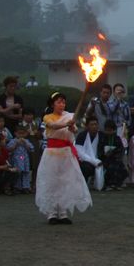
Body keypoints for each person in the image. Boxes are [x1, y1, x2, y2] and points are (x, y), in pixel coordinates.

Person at [36, 92, 91, 224]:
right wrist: (67, 124)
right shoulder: (47, 117)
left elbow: (74, 131)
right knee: (52, 182)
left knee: (66, 182)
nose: (62, 104)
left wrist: (72, 127)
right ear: (52, 104)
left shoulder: (69, 116)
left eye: (63, 102)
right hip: (51, 154)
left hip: (66, 154)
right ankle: (52, 214)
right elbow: (53, 126)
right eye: (59, 102)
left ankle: (63, 213)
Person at [97, 122, 127, 190]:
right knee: (110, 167)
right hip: (105, 159)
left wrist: (113, 153)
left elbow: (120, 149)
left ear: (114, 130)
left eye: (110, 130)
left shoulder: (117, 138)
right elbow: (99, 149)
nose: (108, 132)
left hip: (115, 158)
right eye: (107, 130)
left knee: (120, 166)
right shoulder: (102, 138)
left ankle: (117, 184)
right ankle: (109, 184)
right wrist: (104, 154)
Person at [8, 123, 35, 193]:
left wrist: (25, 144)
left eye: (23, 134)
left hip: (25, 159)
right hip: (16, 159)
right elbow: (9, 149)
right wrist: (16, 144)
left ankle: (26, 187)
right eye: (19, 134)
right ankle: (17, 187)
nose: (21, 135)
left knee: (26, 172)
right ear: (15, 133)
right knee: (18, 172)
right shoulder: (13, 141)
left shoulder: (27, 141)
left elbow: (31, 149)